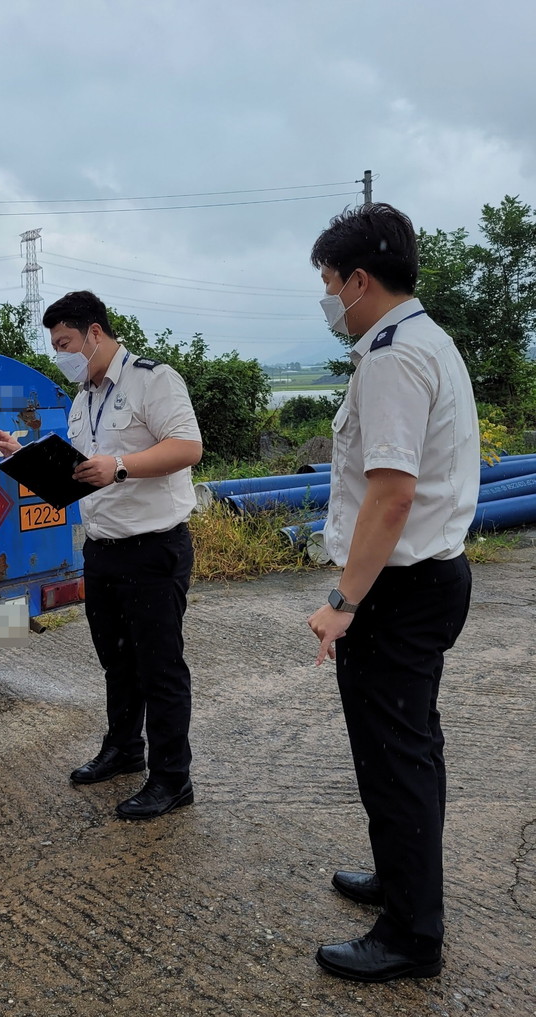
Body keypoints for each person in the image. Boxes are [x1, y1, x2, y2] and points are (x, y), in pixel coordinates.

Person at [306, 205, 478, 982]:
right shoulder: (424, 339)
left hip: (399, 591)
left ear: (359, 281)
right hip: (429, 579)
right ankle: (401, 874)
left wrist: (341, 603)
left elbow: (392, 495)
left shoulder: (391, 357)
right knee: (412, 745)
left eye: (328, 282)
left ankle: (411, 932)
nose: (327, 297)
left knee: (394, 754)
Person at [0, 290, 202, 820]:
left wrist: (121, 465)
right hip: (102, 550)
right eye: (55, 345)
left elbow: (188, 447)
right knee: (118, 662)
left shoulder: (153, 380)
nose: (60, 354)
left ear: (95, 334)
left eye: (65, 343)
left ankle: (173, 779)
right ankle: (125, 751)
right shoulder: (82, 399)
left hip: (153, 550)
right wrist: (23, 455)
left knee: (160, 668)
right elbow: (83, 471)